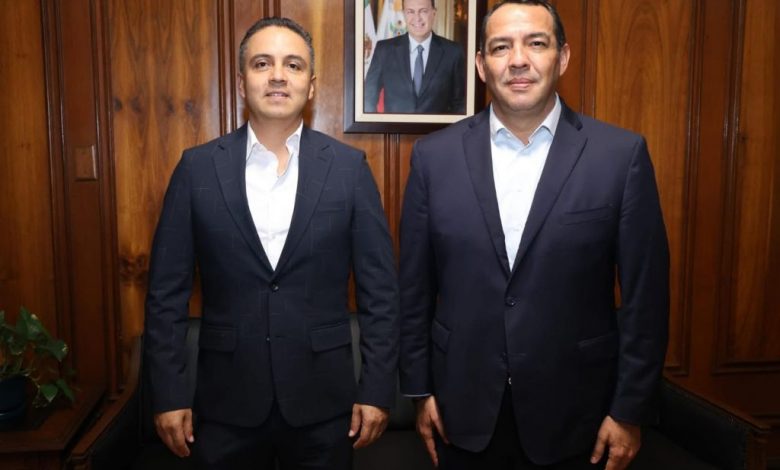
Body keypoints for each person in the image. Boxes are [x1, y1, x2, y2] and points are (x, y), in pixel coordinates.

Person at [399, 1, 669, 469]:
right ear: (481, 65)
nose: (518, 60)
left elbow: (647, 299)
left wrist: (629, 410)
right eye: (501, 47)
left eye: (536, 43)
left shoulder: (620, 156)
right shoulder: (432, 158)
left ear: (562, 57)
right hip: (461, 411)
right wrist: (420, 391)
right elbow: (414, 290)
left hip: (579, 417)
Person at [144, 16, 399, 469]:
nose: (278, 75)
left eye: (293, 65)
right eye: (262, 63)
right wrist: (167, 394)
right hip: (225, 405)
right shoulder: (196, 169)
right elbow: (165, 294)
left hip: (324, 405)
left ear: (311, 86)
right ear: (242, 83)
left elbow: (380, 293)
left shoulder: (349, 170)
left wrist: (378, 390)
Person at [364, 0, 466, 114]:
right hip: (394, 126)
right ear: (404, 14)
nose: (417, 18)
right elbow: (367, 99)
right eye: (410, 12)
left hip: (439, 126)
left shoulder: (453, 52)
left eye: (423, 11)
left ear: (434, 13)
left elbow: (460, 104)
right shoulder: (384, 51)